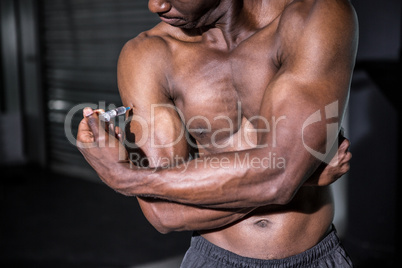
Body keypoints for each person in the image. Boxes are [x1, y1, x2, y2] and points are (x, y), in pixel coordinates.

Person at [76, 0, 358, 267]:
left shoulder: (314, 15)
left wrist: (125, 177)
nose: (156, 5)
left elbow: (280, 177)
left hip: (317, 258)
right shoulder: (149, 55)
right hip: (214, 259)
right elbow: (165, 213)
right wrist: (302, 177)